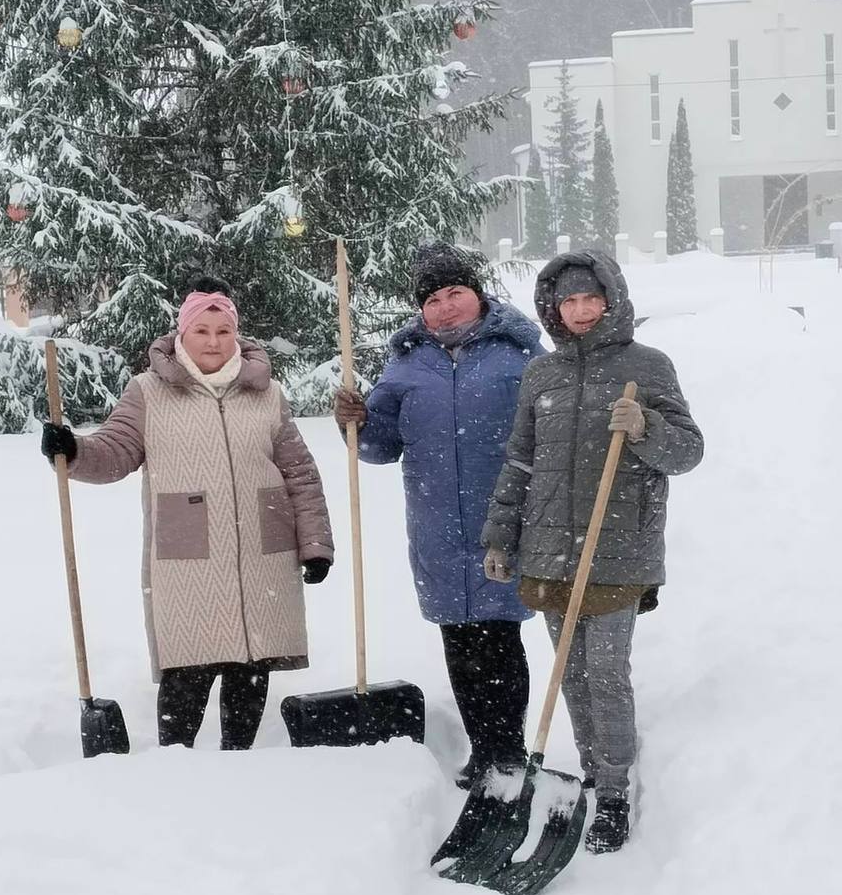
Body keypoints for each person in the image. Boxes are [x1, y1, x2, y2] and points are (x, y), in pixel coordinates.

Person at [41, 277, 334, 750]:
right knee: (189, 666)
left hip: (264, 551)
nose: (214, 342)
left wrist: (315, 545)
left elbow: (299, 473)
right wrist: (72, 450)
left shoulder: (267, 393)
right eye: (202, 331)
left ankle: (238, 761)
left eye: (224, 331)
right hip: (187, 557)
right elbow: (115, 452)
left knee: (253, 663)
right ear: (182, 334)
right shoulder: (149, 392)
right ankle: (175, 768)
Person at [482, 251, 703, 852]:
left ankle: (614, 791)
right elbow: (521, 460)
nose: (579, 311)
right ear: (553, 310)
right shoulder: (542, 374)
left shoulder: (647, 366)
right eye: (567, 302)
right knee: (571, 673)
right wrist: (502, 535)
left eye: (589, 299)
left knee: (606, 672)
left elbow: (687, 452)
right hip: (550, 552)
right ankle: (589, 771)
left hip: (617, 549)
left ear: (611, 300)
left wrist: (645, 428)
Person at [334, 242, 545, 784]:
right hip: (437, 526)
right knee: (460, 641)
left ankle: (509, 752)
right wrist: (354, 421)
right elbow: (380, 447)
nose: (446, 306)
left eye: (456, 293)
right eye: (433, 298)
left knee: (501, 637)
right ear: (420, 308)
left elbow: (552, 435)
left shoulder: (519, 355)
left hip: (504, 520)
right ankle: (482, 751)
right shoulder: (406, 362)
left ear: (477, 294)